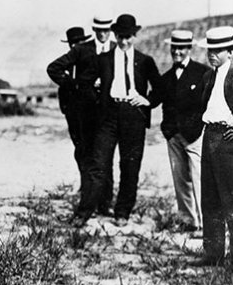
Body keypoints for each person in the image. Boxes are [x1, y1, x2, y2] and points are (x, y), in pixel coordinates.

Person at [72, 14, 162, 227]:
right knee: (98, 164)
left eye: (128, 37)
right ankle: (84, 212)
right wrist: (98, 99)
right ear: (115, 35)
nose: (123, 41)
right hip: (108, 116)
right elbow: (83, 83)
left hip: (134, 115)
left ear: (135, 35)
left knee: (130, 166)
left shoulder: (145, 61)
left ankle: (122, 212)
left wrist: (146, 100)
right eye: (120, 36)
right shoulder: (103, 59)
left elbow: (160, 88)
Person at [47, 17, 116, 216]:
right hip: (83, 112)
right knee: (86, 154)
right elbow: (54, 68)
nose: (103, 33)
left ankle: (105, 203)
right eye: (99, 29)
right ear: (94, 29)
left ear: (110, 30)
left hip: (108, 112)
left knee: (106, 158)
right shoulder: (82, 50)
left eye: (106, 29)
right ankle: (89, 200)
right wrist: (76, 84)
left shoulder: (116, 49)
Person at [194, 26, 233, 266]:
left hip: (229, 140)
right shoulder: (207, 77)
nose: (212, 54)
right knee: (210, 198)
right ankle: (213, 254)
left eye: (218, 50)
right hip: (209, 135)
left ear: (230, 51)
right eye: (210, 49)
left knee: (232, 200)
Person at [157, 30, 209, 232]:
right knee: (180, 179)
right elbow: (154, 100)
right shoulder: (166, 77)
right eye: (174, 47)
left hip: (195, 135)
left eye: (182, 48)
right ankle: (188, 221)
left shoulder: (202, 72)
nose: (177, 51)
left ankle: (206, 224)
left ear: (189, 49)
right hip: (173, 136)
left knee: (199, 179)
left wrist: (201, 127)